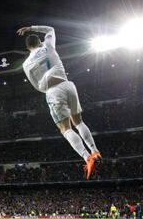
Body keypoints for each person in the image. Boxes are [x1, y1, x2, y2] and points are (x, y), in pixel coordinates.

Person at [17, 25, 101, 179]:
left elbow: (36, 85)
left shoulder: (26, 64)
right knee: (79, 122)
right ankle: (94, 150)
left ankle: (86, 157)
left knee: (65, 129)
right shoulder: (48, 46)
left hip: (53, 91)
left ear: (28, 48)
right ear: (40, 42)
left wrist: (47, 88)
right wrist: (31, 27)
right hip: (68, 84)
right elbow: (50, 30)